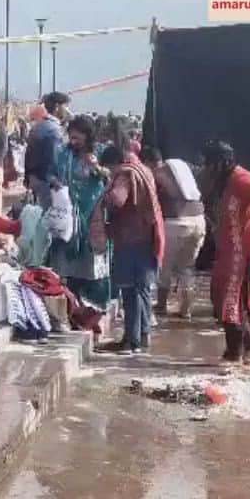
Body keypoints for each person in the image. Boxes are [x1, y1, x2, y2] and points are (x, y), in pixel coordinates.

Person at [202, 141, 250, 361]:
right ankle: (248, 341)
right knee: (219, 294)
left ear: (221, 162)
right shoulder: (225, 180)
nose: (206, 168)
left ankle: (234, 351)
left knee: (230, 298)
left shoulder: (241, 178)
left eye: (209, 163)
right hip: (229, 247)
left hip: (241, 249)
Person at [91, 145, 165, 355]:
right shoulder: (143, 169)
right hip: (147, 237)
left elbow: (117, 199)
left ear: (115, 163)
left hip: (130, 239)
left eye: (109, 169)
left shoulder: (125, 174)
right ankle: (142, 336)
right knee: (141, 290)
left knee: (130, 290)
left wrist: (103, 197)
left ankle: (131, 342)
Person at [49, 115, 113, 311]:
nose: (73, 142)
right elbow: (50, 173)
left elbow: (113, 177)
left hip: (93, 215)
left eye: (78, 138)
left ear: (88, 136)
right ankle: (72, 306)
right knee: (66, 264)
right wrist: (55, 182)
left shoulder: (101, 152)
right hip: (68, 216)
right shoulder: (63, 153)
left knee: (93, 264)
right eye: (71, 137)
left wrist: (97, 168)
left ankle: (95, 310)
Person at [141, 146, 206, 319]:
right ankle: (186, 309)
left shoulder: (155, 174)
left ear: (147, 162)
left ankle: (161, 305)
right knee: (186, 266)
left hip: (175, 223)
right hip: (199, 220)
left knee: (165, 267)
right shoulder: (181, 166)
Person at [26, 91, 71, 209]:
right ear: (57, 107)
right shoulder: (54, 130)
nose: (67, 110)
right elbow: (54, 160)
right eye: (65, 106)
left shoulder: (37, 126)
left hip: (34, 179)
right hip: (47, 183)